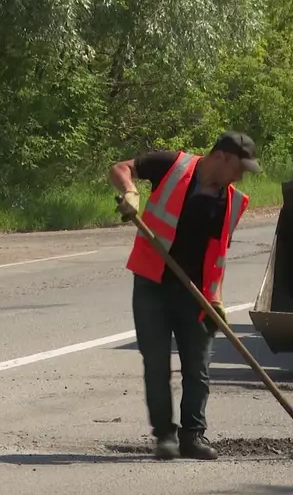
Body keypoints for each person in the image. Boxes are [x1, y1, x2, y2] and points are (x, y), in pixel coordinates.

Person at [109, 132, 259, 460]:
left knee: (198, 364)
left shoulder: (232, 202)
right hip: (152, 285)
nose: (240, 175)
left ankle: (193, 436)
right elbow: (119, 168)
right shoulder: (172, 165)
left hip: (196, 294)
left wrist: (216, 299)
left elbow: (217, 258)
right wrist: (130, 192)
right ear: (221, 156)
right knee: (156, 361)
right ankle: (164, 435)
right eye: (239, 167)